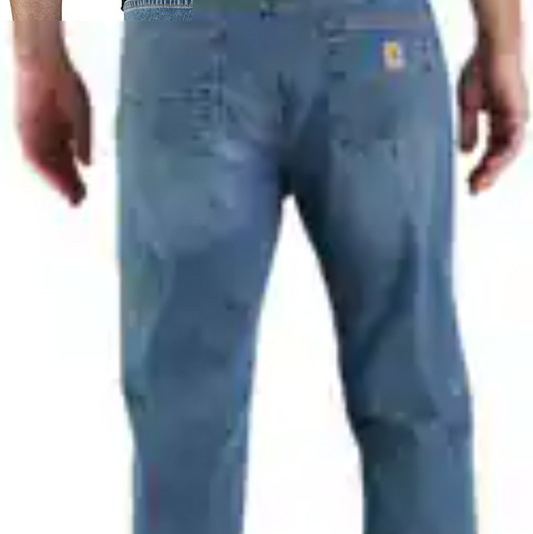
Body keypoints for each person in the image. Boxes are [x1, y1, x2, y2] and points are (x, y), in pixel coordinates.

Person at [11, 1, 529, 534]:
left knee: (184, 419)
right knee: (412, 388)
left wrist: (37, 53)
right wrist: (503, 44)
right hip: (377, 34)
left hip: (183, 34)